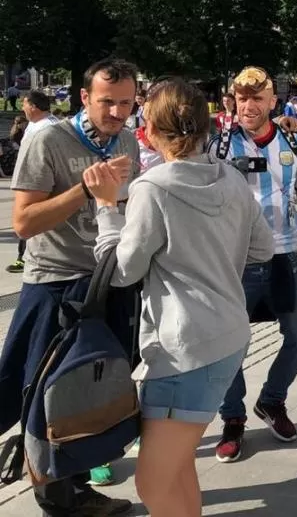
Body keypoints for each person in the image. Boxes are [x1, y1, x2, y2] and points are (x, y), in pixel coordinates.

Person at [84, 79, 275, 517]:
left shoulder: (154, 188)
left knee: (152, 481)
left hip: (182, 350)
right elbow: (263, 249)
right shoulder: (230, 176)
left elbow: (122, 270)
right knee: (178, 465)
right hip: (225, 335)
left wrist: (106, 208)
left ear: (149, 130)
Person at [0, 58, 141, 517]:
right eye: (107, 102)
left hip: (106, 281)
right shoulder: (49, 139)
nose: (118, 112)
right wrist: (84, 188)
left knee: (85, 392)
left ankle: (72, 487)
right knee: (34, 388)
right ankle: (54, 495)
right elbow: (22, 221)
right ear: (84, 97)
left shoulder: (125, 141)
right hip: (55, 282)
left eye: (126, 102)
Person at [207, 66, 297, 463]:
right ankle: (233, 418)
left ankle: (272, 401)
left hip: (285, 254)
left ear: (273, 101)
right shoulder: (220, 146)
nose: (248, 105)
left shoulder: (292, 138)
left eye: (257, 98)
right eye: (242, 97)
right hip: (237, 260)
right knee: (231, 346)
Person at [6, 91, 59, 274]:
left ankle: (29, 258)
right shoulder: (35, 125)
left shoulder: (50, 128)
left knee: (32, 221)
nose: (22, 107)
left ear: (34, 107)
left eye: (25, 103)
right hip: (30, 182)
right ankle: (25, 257)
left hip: (42, 184)